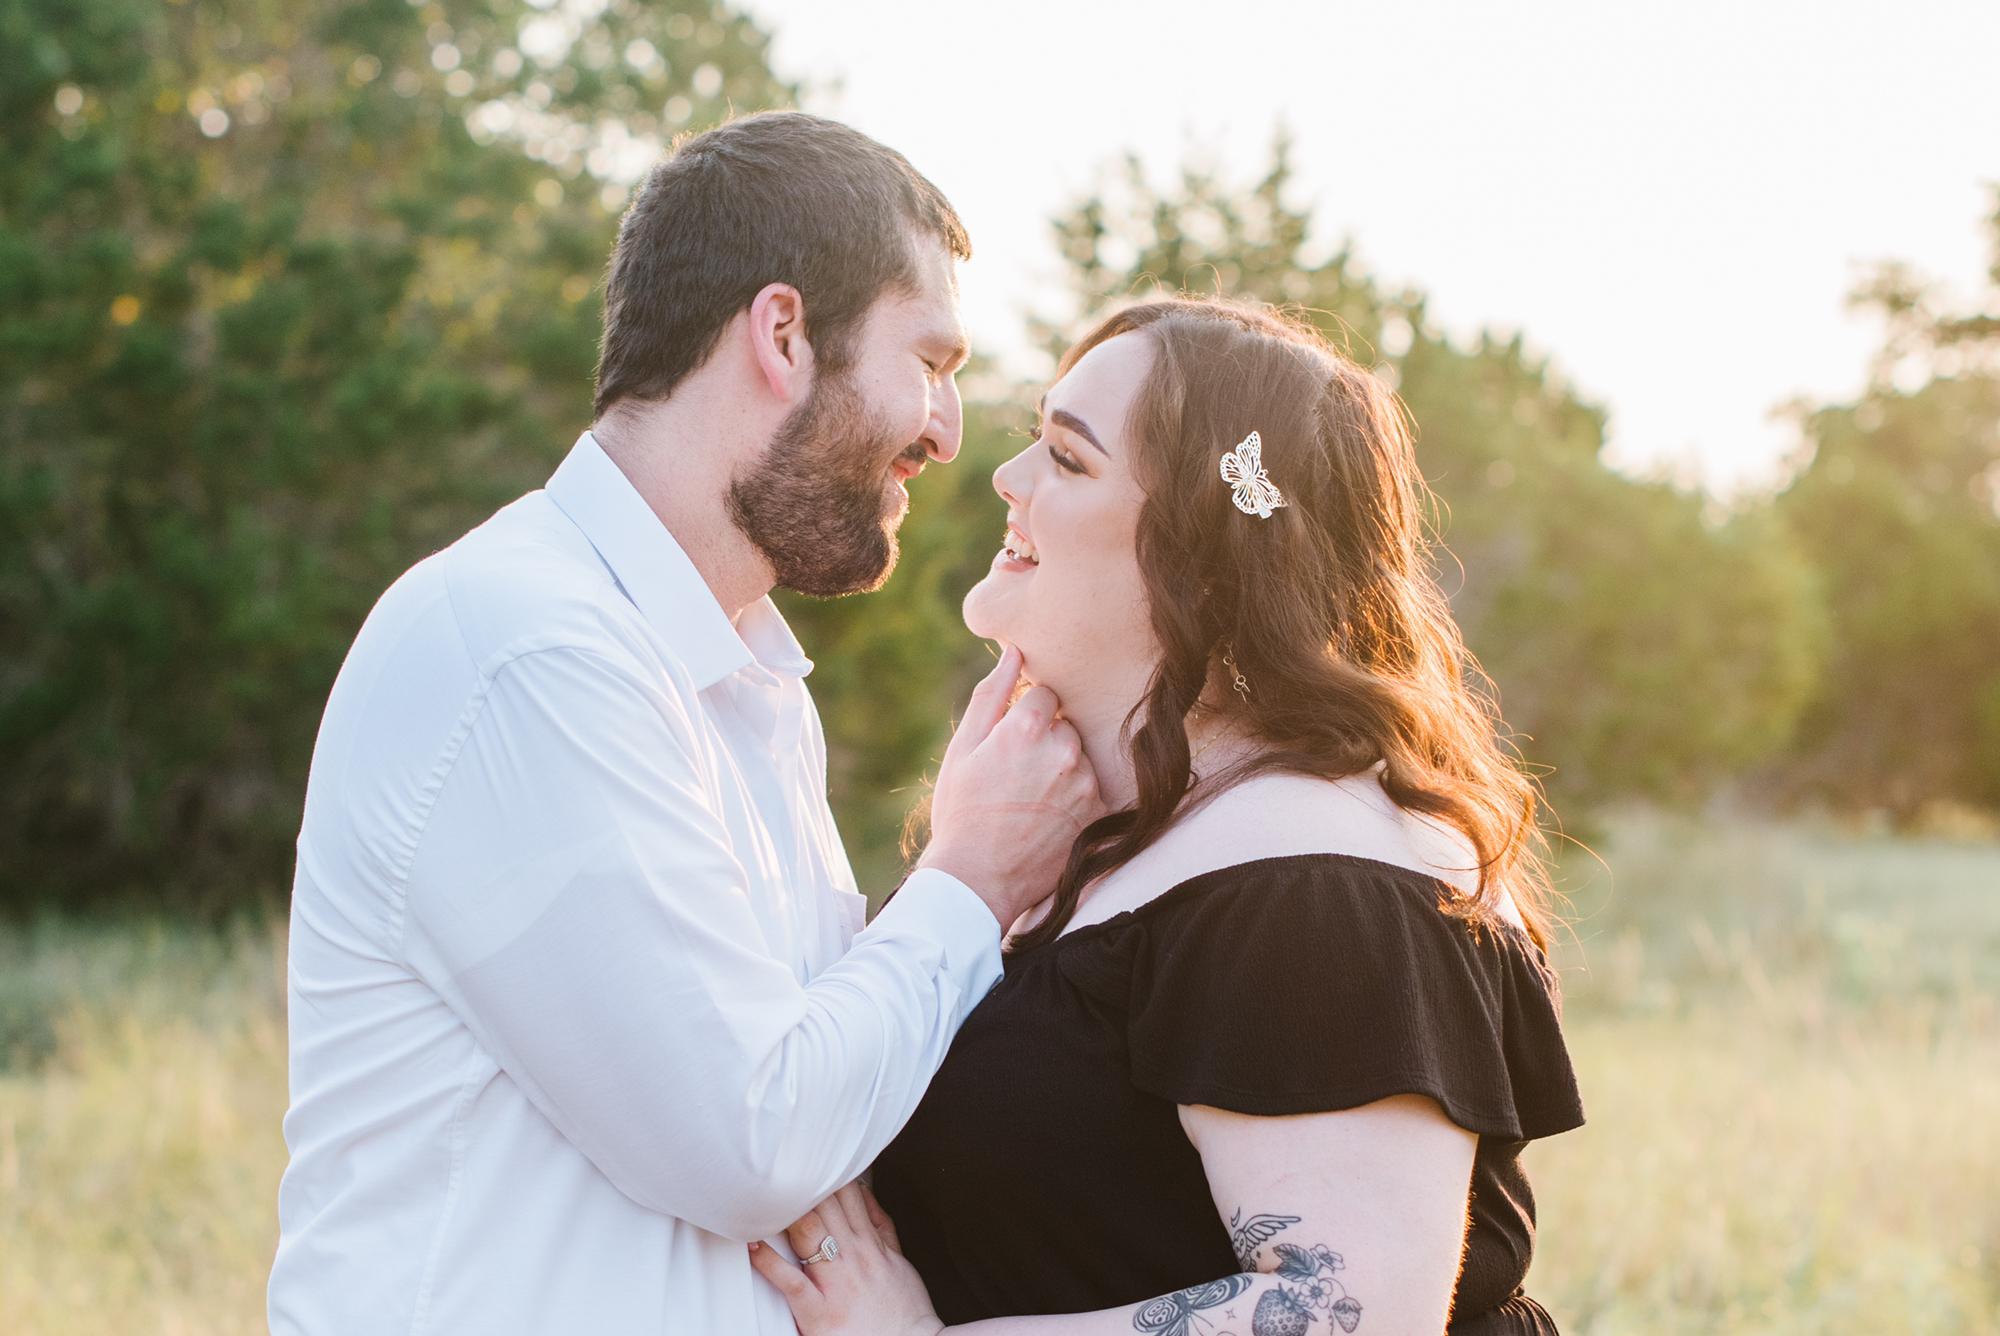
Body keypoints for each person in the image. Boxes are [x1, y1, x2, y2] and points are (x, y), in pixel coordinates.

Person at [267, 112, 1101, 1335]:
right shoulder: (527, 647)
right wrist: (971, 878)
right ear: (783, 335)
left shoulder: (743, 681)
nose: (945, 431)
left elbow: (816, 1091)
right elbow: (749, 1134)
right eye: (928, 361)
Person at [750, 297, 1586, 1335]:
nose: (1006, 478)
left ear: (1201, 556)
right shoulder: (1063, 835)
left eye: (1067, 458)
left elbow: (1343, 1315)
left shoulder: (1313, 880)